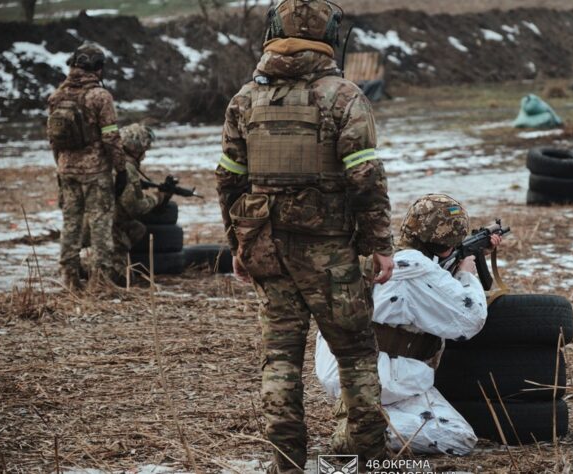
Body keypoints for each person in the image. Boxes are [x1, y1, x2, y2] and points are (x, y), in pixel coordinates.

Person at [214, 1, 395, 472]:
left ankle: (286, 464)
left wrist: (239, 243)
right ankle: (371, 461)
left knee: (279, 360)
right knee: (355, 354)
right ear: (330, 35)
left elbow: (229, 181)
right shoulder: (344, 97)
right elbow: (366, 180)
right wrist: (380, 246)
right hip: (331, 254)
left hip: (267, 250)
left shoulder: (244, 100)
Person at [315, 194, 502, 455]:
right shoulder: (420, 269)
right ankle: (365, 431)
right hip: (381, 376)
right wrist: (465, 274)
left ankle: (363, 417)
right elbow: (470, 319)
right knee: (457, 438)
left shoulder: (387, 256)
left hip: (346, 366)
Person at [47, 42, 126, 289]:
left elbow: (53, 140)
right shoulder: (100, 96)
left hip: (66, 170)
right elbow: (111, 137)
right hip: (95, 172)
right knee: (100, 222)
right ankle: (100, 281)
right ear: (98, 68)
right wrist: (121, 168)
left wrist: (60, 166)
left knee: (71, 223)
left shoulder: (57, 96)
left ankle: (69, 278)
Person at [111, 123, 171, 279]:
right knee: (123, 280)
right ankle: (99, 267)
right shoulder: (126, 169)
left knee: (137, 228)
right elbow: (135, 207)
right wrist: (157, 197)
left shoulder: (115, 162)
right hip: (107, 225)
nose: (144, 156)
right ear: (135, 149)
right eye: (143, 151)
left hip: (102, 220)